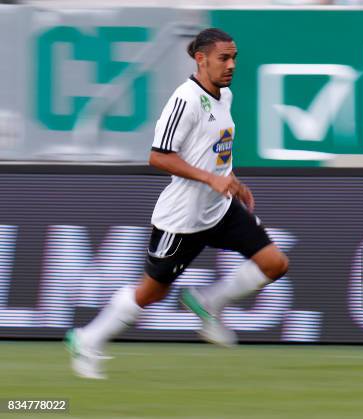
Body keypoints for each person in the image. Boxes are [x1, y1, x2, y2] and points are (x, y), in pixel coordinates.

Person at [65, 28, 289, 379]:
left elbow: (213, 149)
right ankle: (88, 338)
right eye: (223, 58)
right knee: (150, 294)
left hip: (220, 207)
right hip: (182, 219)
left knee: (275, 264)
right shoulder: (184, 100)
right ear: (201, 59)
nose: (231, 65)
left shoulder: (224, 96)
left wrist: (231, 180)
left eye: (234, 58)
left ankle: (210, 302)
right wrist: (212, 178)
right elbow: (158, 157)